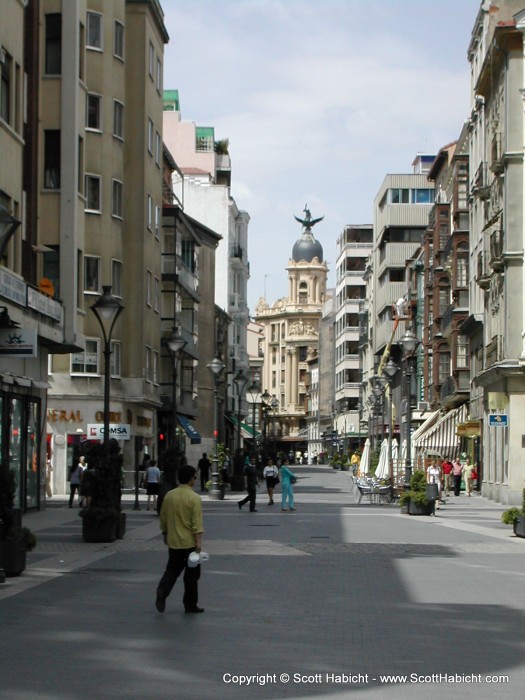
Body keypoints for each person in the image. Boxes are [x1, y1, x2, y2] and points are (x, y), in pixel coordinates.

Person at [155, 465, 204, 614]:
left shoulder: (170, 495)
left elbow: (163, 517)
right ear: (190, 479)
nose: (195, 480)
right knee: (192, 575)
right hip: (189, 543)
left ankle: (162, 590)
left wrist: (165, 533)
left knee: (172, 569)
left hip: (174, 541)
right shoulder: (194, 498)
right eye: (194, 477)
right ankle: (190, 604)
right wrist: (198, 542)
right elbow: (196, 522)